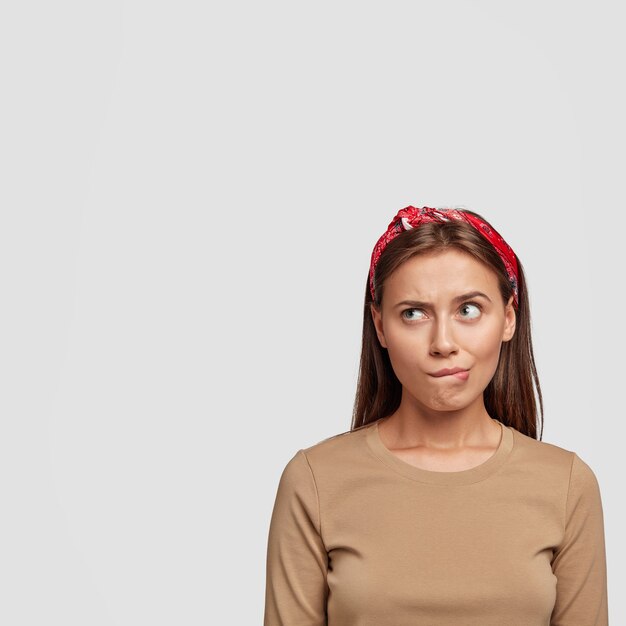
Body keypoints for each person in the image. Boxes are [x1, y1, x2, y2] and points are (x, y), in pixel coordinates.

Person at [263, 205, 608, 625]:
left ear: (509, 317)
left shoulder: (566, 485)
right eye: (413, 313)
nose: (443, 342)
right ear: (380, 326)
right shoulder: (314, 481)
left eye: (468, 310)